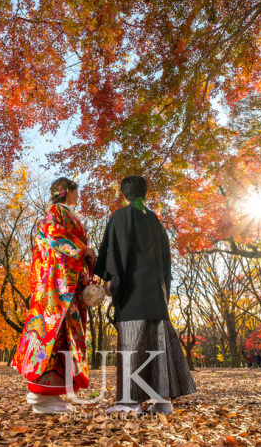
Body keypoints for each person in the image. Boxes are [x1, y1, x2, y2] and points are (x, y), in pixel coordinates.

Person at [94, 175, 196, 415]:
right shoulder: (154, 220)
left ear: (124, 194)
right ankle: (163, 401)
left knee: (132, 344)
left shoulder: (120, 216)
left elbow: (115, 252)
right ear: (145, 193)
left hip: (132, 293)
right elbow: (166, 261)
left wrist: (111, 282)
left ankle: (129, 402)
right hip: (157, 294)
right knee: (159, 344)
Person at [11, 177, 98, 414]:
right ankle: (41, 393)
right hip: (56, 286)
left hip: (67, 285)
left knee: (63, 336)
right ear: (65, 191)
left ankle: (50, 394)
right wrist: (83, 250)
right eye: (75, 192)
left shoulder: (66, 213)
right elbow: (55, 237)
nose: (78, 197)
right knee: (53, 334)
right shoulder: (53, 213)